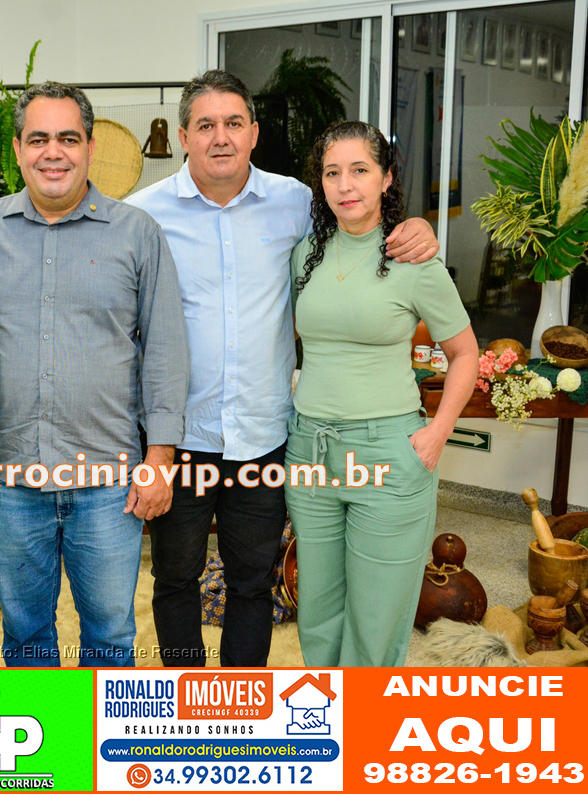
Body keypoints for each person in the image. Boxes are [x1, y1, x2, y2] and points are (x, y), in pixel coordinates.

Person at [127, 70, 440, 668]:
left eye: (234, 123)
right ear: (184, 137)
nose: (221, 137)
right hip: (180, 438)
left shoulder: (295, 202)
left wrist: (416, 225)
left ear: (254, 133)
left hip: (264, 437)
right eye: (205, 125)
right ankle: (187, 698)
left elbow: (360, 226)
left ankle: (241, 701)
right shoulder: (143, 215)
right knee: (174, 578)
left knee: (253, 581)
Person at [0, 81, 189, 667]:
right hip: (12, 479)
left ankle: (101, 731)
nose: (52, 152)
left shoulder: (137, 233)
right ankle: (44, 727)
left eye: (67, 138)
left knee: (110, 635)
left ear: (89, 147)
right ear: (17, 149)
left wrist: (160, 460)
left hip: (110, 481)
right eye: (38, 139)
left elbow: (164, 350)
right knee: (25, 635)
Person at [285, 121, 478, 667]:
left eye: (360, 170)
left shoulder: (413, 259)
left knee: (376, 617)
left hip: (389, 453)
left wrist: (438, 433)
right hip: (311, 451)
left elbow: (466, 354)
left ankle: (365, 715)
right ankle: (325, 714)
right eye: (332, 173)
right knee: (317, 609)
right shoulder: (306, 254)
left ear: (387, 178)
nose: (345, 185)